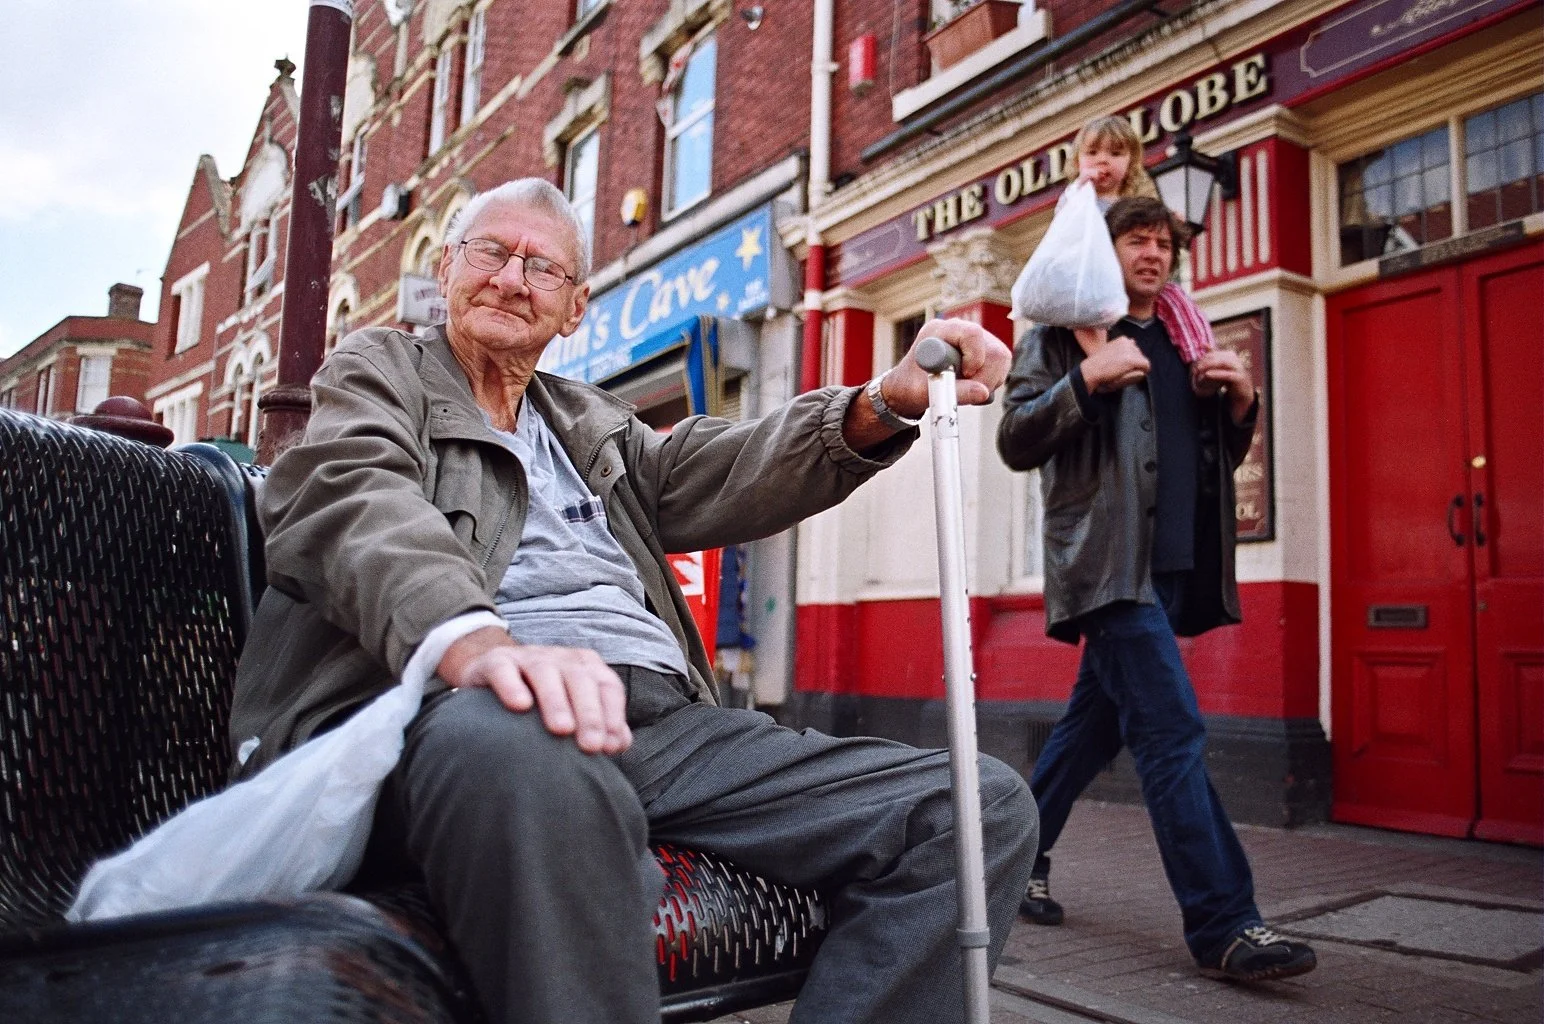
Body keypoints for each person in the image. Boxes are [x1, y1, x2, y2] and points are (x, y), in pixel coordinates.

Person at [228, 177, 1036, 1024]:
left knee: (974, 810)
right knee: (529, 750)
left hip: (664, 732)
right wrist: (477, 642)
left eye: (541, 269)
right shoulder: (381, 372)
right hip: (459, 712)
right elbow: (350, 496)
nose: (511, 279)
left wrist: (881, 404)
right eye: (492, 253)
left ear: (574, 309)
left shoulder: (592, 423)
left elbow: (726, 463)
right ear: (447, 268)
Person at [996, 196, 1317, 983]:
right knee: (1172, 732)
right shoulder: (1065, 335)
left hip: (1172, 569)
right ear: (1106, 252)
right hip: (1105, 568)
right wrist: (1087, 382)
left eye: (1165, 242)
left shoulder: (1185, 339)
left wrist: (1242, 404)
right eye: (1137, 239)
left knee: (1088, 732)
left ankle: (1009, 861)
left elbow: (1205, 457)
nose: (1154, 253)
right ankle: (1225, 924)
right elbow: (1014, 439)